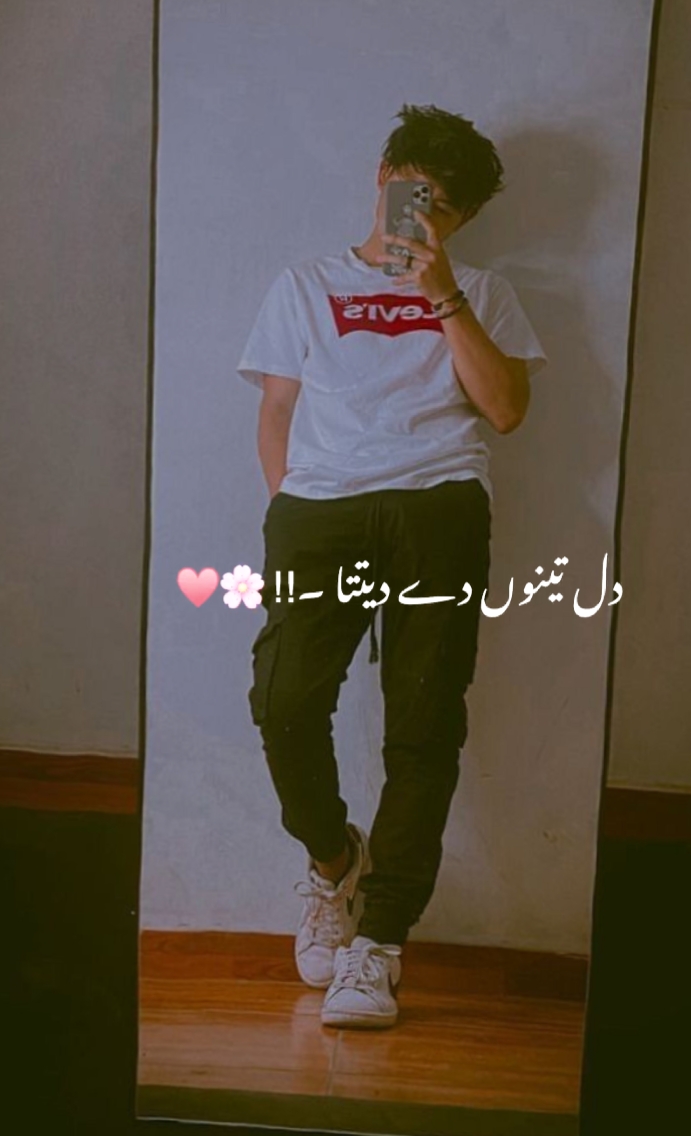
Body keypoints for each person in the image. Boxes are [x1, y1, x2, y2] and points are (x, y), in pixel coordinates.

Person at [236, 103, 548, 1029]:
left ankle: (378, 942)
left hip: (438, 506)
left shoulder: (483, 291)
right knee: (284, 701)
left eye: (446, 207)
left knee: (422, 727)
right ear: (384, 176)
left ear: (465, 219)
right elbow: (277, 413)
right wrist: (287, 510)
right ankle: (334, 862)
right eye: (417, 191)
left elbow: (506, 411)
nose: (425, 215)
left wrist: (442, 293)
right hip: (319, 512)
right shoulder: (305, 284)